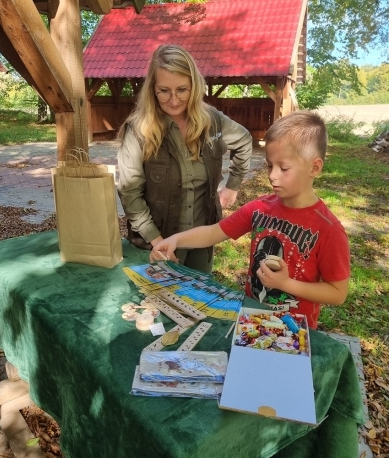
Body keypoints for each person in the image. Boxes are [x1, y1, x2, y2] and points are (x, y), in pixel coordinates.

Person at [150, 111, 350, 329]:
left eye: (283, 168)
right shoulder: (260, 208)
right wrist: (176, 240)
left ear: (315, 167)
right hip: (251, 320)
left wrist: (286, 284)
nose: (273, 176)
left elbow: (338, 293)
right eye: (269, 166)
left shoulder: (328, 229)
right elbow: (214, 232)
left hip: (294, 331)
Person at [117, 44, 253, 273]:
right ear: (152, 89)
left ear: (195, 86)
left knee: (197, 302)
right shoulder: (138, 130)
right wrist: (157, 241)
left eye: (182, 89)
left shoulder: (213, 121)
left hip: (201, 239)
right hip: (156, 242)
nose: (173, 99)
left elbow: (244, 140)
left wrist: (233, 185)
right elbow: (130, 193)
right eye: (164, 90)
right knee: (156, 306)